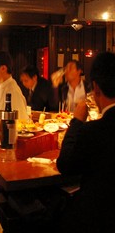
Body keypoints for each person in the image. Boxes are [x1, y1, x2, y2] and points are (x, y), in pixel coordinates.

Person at [56, 51, 115, 232]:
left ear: (95, 88)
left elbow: (65, 165)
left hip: (98, 218)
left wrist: (77, 123)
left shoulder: (95, 131)